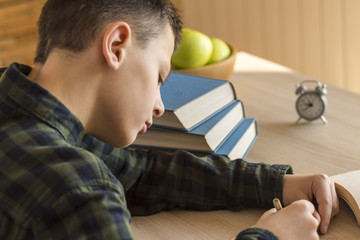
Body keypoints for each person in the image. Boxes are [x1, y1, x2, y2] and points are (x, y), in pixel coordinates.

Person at [0, 0, 338, 239]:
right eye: (160, 77)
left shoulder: (20, 105)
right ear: (117, 46)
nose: (160, 105)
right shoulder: (78, 189)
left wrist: (274, 184)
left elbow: (139, 174)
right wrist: (271, 236)